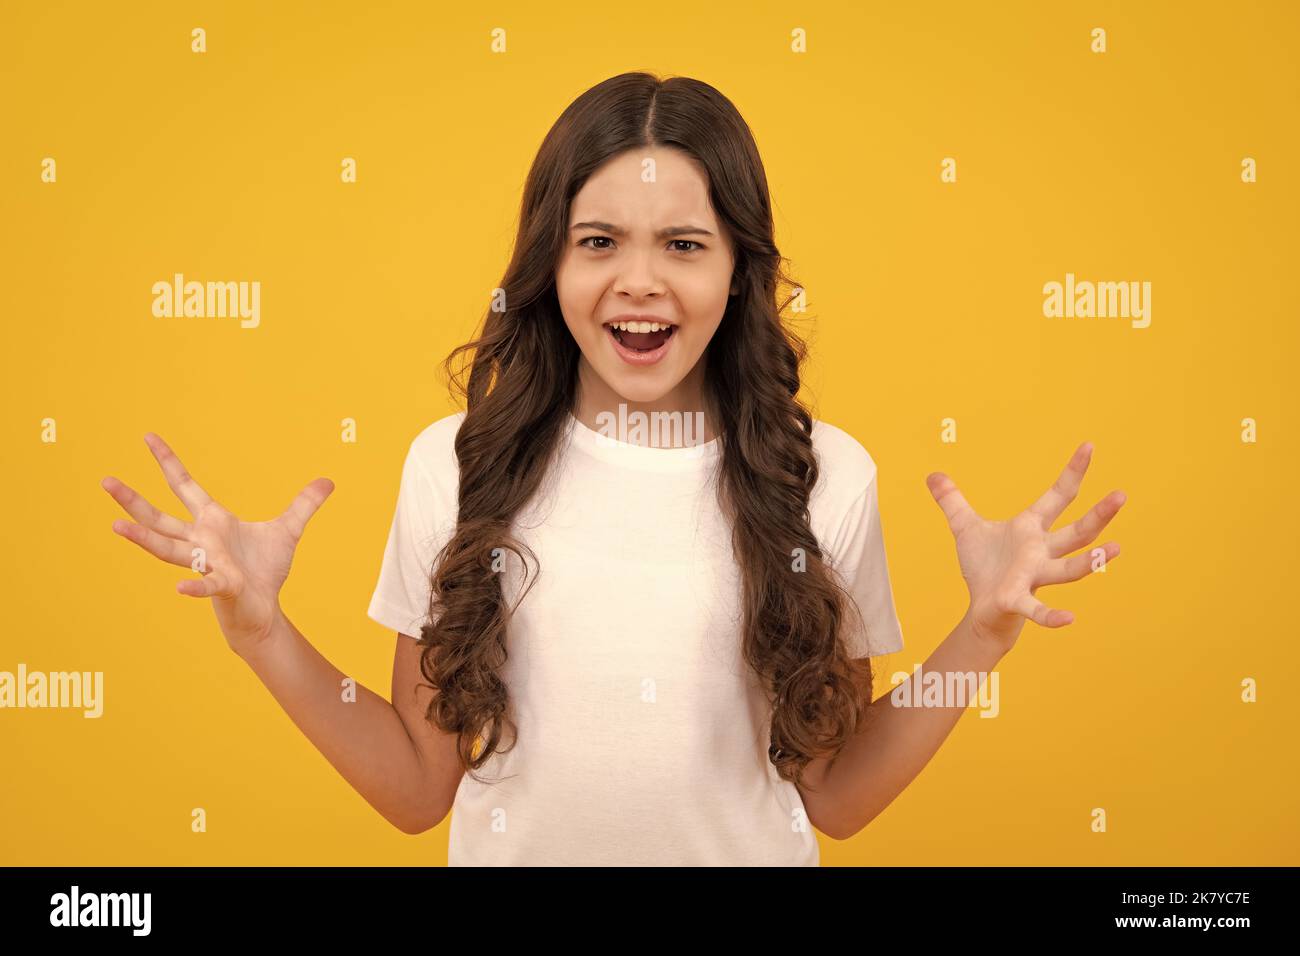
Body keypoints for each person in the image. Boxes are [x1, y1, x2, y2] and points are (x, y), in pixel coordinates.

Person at [102, 72, 1127, 866]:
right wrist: (262, 632)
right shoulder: (456, 467)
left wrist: (981, 630)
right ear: (552, 262)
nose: (639, 281)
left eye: (684, 243)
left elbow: (836, 792)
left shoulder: (823, 478)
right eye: (598, 240)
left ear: (738, 270)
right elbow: (418, 785)